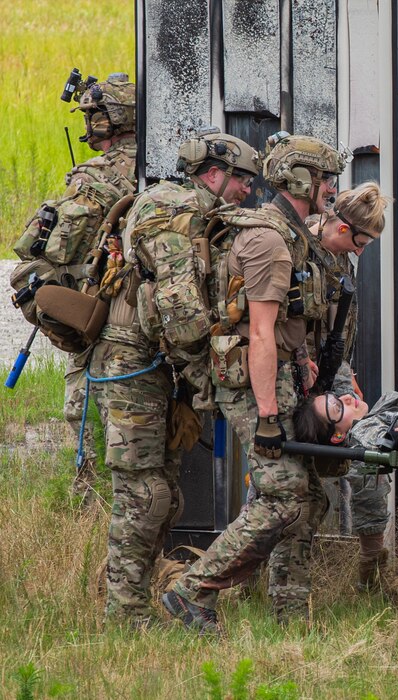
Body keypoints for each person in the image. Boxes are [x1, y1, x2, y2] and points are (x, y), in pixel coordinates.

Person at [163, 133, 346, 634]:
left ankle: (289, 613)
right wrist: (268, 416)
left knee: (308, 497)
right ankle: (192, 588)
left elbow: (292, 321)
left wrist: (305, 361)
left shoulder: (293, 235)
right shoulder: (268, 239)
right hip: (254, 386)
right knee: (284, 497)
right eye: (326, 178)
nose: (331, 189)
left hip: (280, 378)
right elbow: (261, 332)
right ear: (303, 179)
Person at [88, 129, 259, 627]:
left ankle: (131, 594)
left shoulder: (198, 214)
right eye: (242, 180)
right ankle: (124, 615)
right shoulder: (175, 214)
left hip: (156, 368)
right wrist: (216, 379)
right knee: (144, 495)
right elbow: (182, 315)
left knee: (166, 493)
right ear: (214, 174)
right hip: (130, 365)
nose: (248, 191)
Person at [9, 72, 138, 505]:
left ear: (107, 121)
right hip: (149, 316)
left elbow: (52, 252)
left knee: (85, 413)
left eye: (92, 117)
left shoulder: (95, 176)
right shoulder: (161, 165)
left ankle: (94, 503)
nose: (87, 126)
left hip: (98, 315)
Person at [306, 182, 392, 590]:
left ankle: (372, 563)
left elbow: (340, 330)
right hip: (292, 369)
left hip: (332, 367)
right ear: (343, 229)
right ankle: (268, 568)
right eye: (362, 241)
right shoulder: (296, 245)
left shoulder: (343, 261)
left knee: (369, 453)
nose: (362, 251)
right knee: (289, 468)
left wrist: (349, 381)